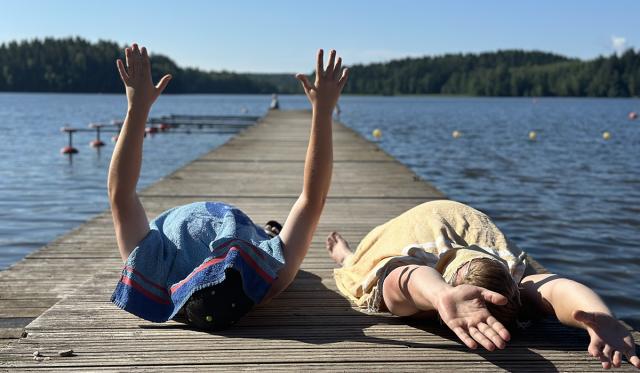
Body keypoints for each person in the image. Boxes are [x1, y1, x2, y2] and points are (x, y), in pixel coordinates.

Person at [108, 44, 348, 330]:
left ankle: (271, 231)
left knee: (275, 239)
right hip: (246, 230)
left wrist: (137, 108)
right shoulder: (271, 275)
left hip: (216, 226)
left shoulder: (153, 273)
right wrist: (323, 111)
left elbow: (120, 193)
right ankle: (270, 230)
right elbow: (312, 198)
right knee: (271, 239)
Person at [327, 200, 639, 370]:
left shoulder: (511, 278)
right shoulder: (418, 269)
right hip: (415, 230)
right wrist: (441, 295)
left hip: (464, 222)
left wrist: (598, 316)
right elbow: (401, 281)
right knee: (363, 269)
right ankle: (346, 254)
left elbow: (555, 288)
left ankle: (347, 253)